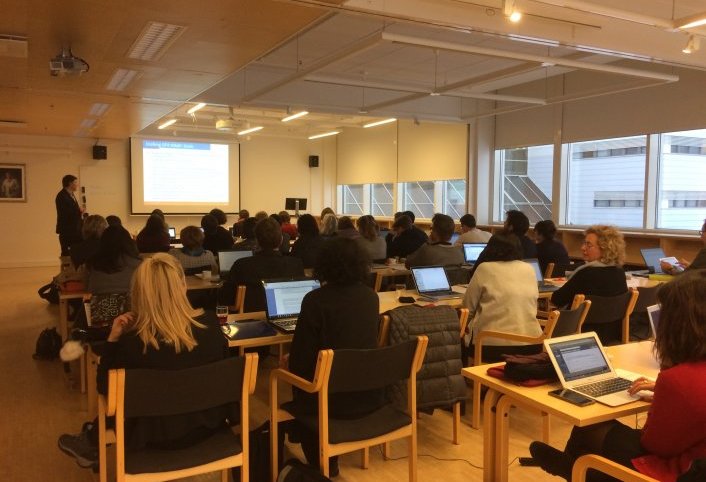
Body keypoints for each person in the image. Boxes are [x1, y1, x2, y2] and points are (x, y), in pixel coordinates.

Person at [529, 269, 706, 482]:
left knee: (589, 429)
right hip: (696, 462)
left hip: (682, 472)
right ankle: (574, 469)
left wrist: (667, 384)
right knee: (593, 437)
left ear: (678, 326)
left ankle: (572, 470)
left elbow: (654, 445)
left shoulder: (678, 380)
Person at [58, 253, 230, 469]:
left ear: (139, 293)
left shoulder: (132, 343)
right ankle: (91, 437)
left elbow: (105, 389)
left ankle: (92, 439)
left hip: (151, 439)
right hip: (207, 430)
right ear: (183, 285)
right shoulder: (212, 326)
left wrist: (112, 339)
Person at [288, 237, 382, 476]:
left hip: (325, 397)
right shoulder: (371, 297)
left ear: (324, 264)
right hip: (367, 393)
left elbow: (300, 362)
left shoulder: (315, 300)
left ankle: (319, 462)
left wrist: (285, 362)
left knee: (294, 377)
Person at [463, 233, 542, 362]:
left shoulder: (484, 268)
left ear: (490, 249)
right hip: (532, 343)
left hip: (490, 344)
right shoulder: (529, 269)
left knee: (460, 340)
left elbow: (467, 309)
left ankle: (466, 374)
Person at [551, 225, 628, 342]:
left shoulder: (586, 273)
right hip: (612, 335)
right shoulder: (620, 272)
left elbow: (557, 299)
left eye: (589, 245)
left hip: (581, 334)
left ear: (605, 248)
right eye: (584, 243)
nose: (583, 248)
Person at [220, 217, 304, 310]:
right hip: (287, 313)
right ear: (281, 239)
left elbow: (226, 298)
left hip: (249, 316)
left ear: (257, 240)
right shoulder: (296, 264)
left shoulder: (241, 265)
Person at [86, 225, 141, 295]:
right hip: (130, 301)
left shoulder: (93, 264)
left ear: (102, 243)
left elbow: (88, 287)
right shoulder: (138, 265)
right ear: (128, 242)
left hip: (100, 301)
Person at [55, 174, 84, 255]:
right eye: (75, 182)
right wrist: (79, 211)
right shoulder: (62, 196)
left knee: (76, 252)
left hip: (75, 229)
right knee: (67, 253)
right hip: (67, 230)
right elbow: (65, 213)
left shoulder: (71, 194)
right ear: (70, 183)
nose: (77, 185)